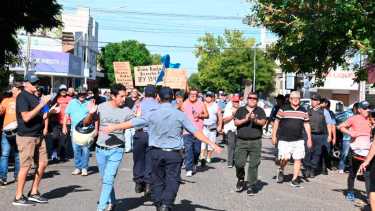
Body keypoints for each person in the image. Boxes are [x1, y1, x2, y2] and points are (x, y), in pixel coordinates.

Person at [102, 87, 222, 211]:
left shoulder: (152, 113)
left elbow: (134, 123)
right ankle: (166, 204)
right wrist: (212, 144)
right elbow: (196, 132)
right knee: (173, 180)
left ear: (158, 97)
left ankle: (160, 204)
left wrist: (114, 127)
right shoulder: (180, 115)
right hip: (174, 155)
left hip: (155, 153)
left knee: (157, 180)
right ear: (173, 98)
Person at [83, 83, 134, 211]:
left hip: (117, 149)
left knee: (108, 178)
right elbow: (86, 122)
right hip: (100, 149)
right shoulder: (101, 107)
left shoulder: (127, 111)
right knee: (105, 179)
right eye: (121, 96)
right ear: (113, 96)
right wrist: (90, 113)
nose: (124, 99)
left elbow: (137, 123)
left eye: (125, 96)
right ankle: (113, 201)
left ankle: (100, 208)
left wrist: (138, 118)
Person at [13, 73, 50, 206]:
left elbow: (39, 115)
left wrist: (50, 112)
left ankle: (33, 192)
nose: (36, 85)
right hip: (26, 137)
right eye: (33, 83)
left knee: (43, 163)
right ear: (25, 83)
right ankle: (18, 197)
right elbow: (26, 117)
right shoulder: (22, 96)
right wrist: (42, 104)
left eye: (37, 82)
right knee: (26, 166)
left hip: (38, 135)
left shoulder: (34, 96)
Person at [272, 91, 312, 187]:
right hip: (284, 139)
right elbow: (276, 122)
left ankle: (294, 179)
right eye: (293, 98)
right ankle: (281, 169)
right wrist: (273, 136)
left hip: (299, 139)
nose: (295, 100)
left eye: (297, 98)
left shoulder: (303, 110)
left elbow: (306, 124)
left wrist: (309, 138)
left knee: (298, 159)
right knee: (285, 158)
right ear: (290, 99)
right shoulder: (283, 109)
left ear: (300, 100)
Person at [234, 92, 267, 195]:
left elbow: (263, 122)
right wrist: (246, 119)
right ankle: (241, 178)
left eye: (255, 98)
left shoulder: (260, 110)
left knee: (254, 164)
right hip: (241, 141)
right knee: (239, 163)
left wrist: (254, 120)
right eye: (250, 98)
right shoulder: (240, 110)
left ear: (257, 100)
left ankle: (251, 185)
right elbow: (236, 122)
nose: (252, 100)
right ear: (247, 99)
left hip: (255, 142)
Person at [338, 101, 372, 202]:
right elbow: (340, 126)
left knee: (368, 175)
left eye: (368, 108)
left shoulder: (371, 119)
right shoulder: (353, 118)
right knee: (353, 173)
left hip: (368, 152)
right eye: (365, 108)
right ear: (359, 110)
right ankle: (350, 192)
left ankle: (370, 196)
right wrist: (350, 133)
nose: (367, 110)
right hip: (355, 151)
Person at [132, 85, 159, 198]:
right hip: (153, 135)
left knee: (138, 159)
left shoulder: (139, 104)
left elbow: (133, 116)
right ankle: (148, 183)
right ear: (155, 94)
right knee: (150, 160)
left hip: (140, 133)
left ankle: (139, 182)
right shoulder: (159, 106)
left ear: (145, 93)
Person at [63, 88, 97, 176]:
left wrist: (96, 129)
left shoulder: (89, 103)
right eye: (80, 94)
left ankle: (84, 168)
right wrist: (64, 126)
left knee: (85, 150)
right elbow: (66, 114)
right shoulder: (72, 102)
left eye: (84, 94)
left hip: (86, 131)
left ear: (86, 95)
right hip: (74, 130)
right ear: (77, 95)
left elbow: (95, 117)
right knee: (76, 150)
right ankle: (78, 167)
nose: (82, 96)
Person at [304, 93, 332, 178]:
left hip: (320, 135)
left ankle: (312, 169)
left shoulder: (324, 111)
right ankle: (307, 168)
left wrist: (329, 135)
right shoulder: (307, 110)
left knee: (317, 153)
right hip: (308, 135)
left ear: (319, 102)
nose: (313, 101)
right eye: (312, 99)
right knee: (307, 152)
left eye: (315, 100)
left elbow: (329, 124)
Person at [182, 89, 209, 177]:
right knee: (188, 150)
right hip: (187, 131)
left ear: (197, 95)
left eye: (195, 94)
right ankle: (189, 169)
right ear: (189, 95)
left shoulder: (201, 103)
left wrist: (200, 115)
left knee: (197, 151)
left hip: (198, 131)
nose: (193, 96)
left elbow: (207, 115)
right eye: (191, 94)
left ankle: (194, 163)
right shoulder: (184, 103)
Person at [0, 82, 22, 186]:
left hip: (19, 132)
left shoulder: (23, 101)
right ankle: (3, 178)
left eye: (20, 88)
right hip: (6, 131)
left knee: (18, 155)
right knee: (5, 155)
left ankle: (17, 176)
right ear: (13, 89)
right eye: (17, 88)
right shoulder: (6, 101)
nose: (19, 90)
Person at [49, 84, 73, 162]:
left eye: (64, 90)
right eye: (62, 90)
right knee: (55, 137)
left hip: (67, 122)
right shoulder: (56, 99)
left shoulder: (71, 99)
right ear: (59, 91)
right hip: (56, 121)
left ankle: (62, 155)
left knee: (64, 139)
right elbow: (51, 109)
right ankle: (54, 154)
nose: (63, 91)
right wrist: (53, 110)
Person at [335, 103, 359, 173]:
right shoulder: (347, 113)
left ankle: (354, 169)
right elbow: (337, 117)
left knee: (355, 154)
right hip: (347, 137)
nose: (358, 110)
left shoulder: (360, 115)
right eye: (357, 109)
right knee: (344, 153)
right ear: (354, 108)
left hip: (356, 138)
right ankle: (341, 168)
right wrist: (342, 125)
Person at [200, 91, 223, 163]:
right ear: (205, 97)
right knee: (203, 143)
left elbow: (220, 117)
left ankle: (208, 157)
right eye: (207, 96)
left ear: (213, 97)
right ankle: (202, 157)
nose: (208, 98)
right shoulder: (202, 104)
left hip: (212, 127)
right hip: (203, 126)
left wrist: (220, 126)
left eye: (210, 96)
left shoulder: (216, 105)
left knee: (211, 143)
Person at [223, 95, 240, 168]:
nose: (236, 103)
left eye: (237, 101)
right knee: (231, 146)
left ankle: (236, 161)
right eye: (235, 101)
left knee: (238, 146)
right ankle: (230, 162)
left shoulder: (241, 109)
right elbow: (224, 120)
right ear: (232, 102)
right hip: (230, 129)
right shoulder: (228, 109)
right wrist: (232, 116)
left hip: (239, 130)